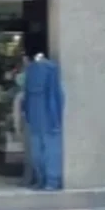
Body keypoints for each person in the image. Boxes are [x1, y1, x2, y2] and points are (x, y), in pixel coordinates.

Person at [22, 52, 64, 191]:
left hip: (34, 117)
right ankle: (51, 181)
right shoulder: (52, 70)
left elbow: (25, 99)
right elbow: (55, 97)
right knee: (51, 149)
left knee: (37, 150)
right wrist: (56, 119)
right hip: (48, 117)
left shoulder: (30, 71)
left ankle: (41, 179)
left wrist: (27, 114)